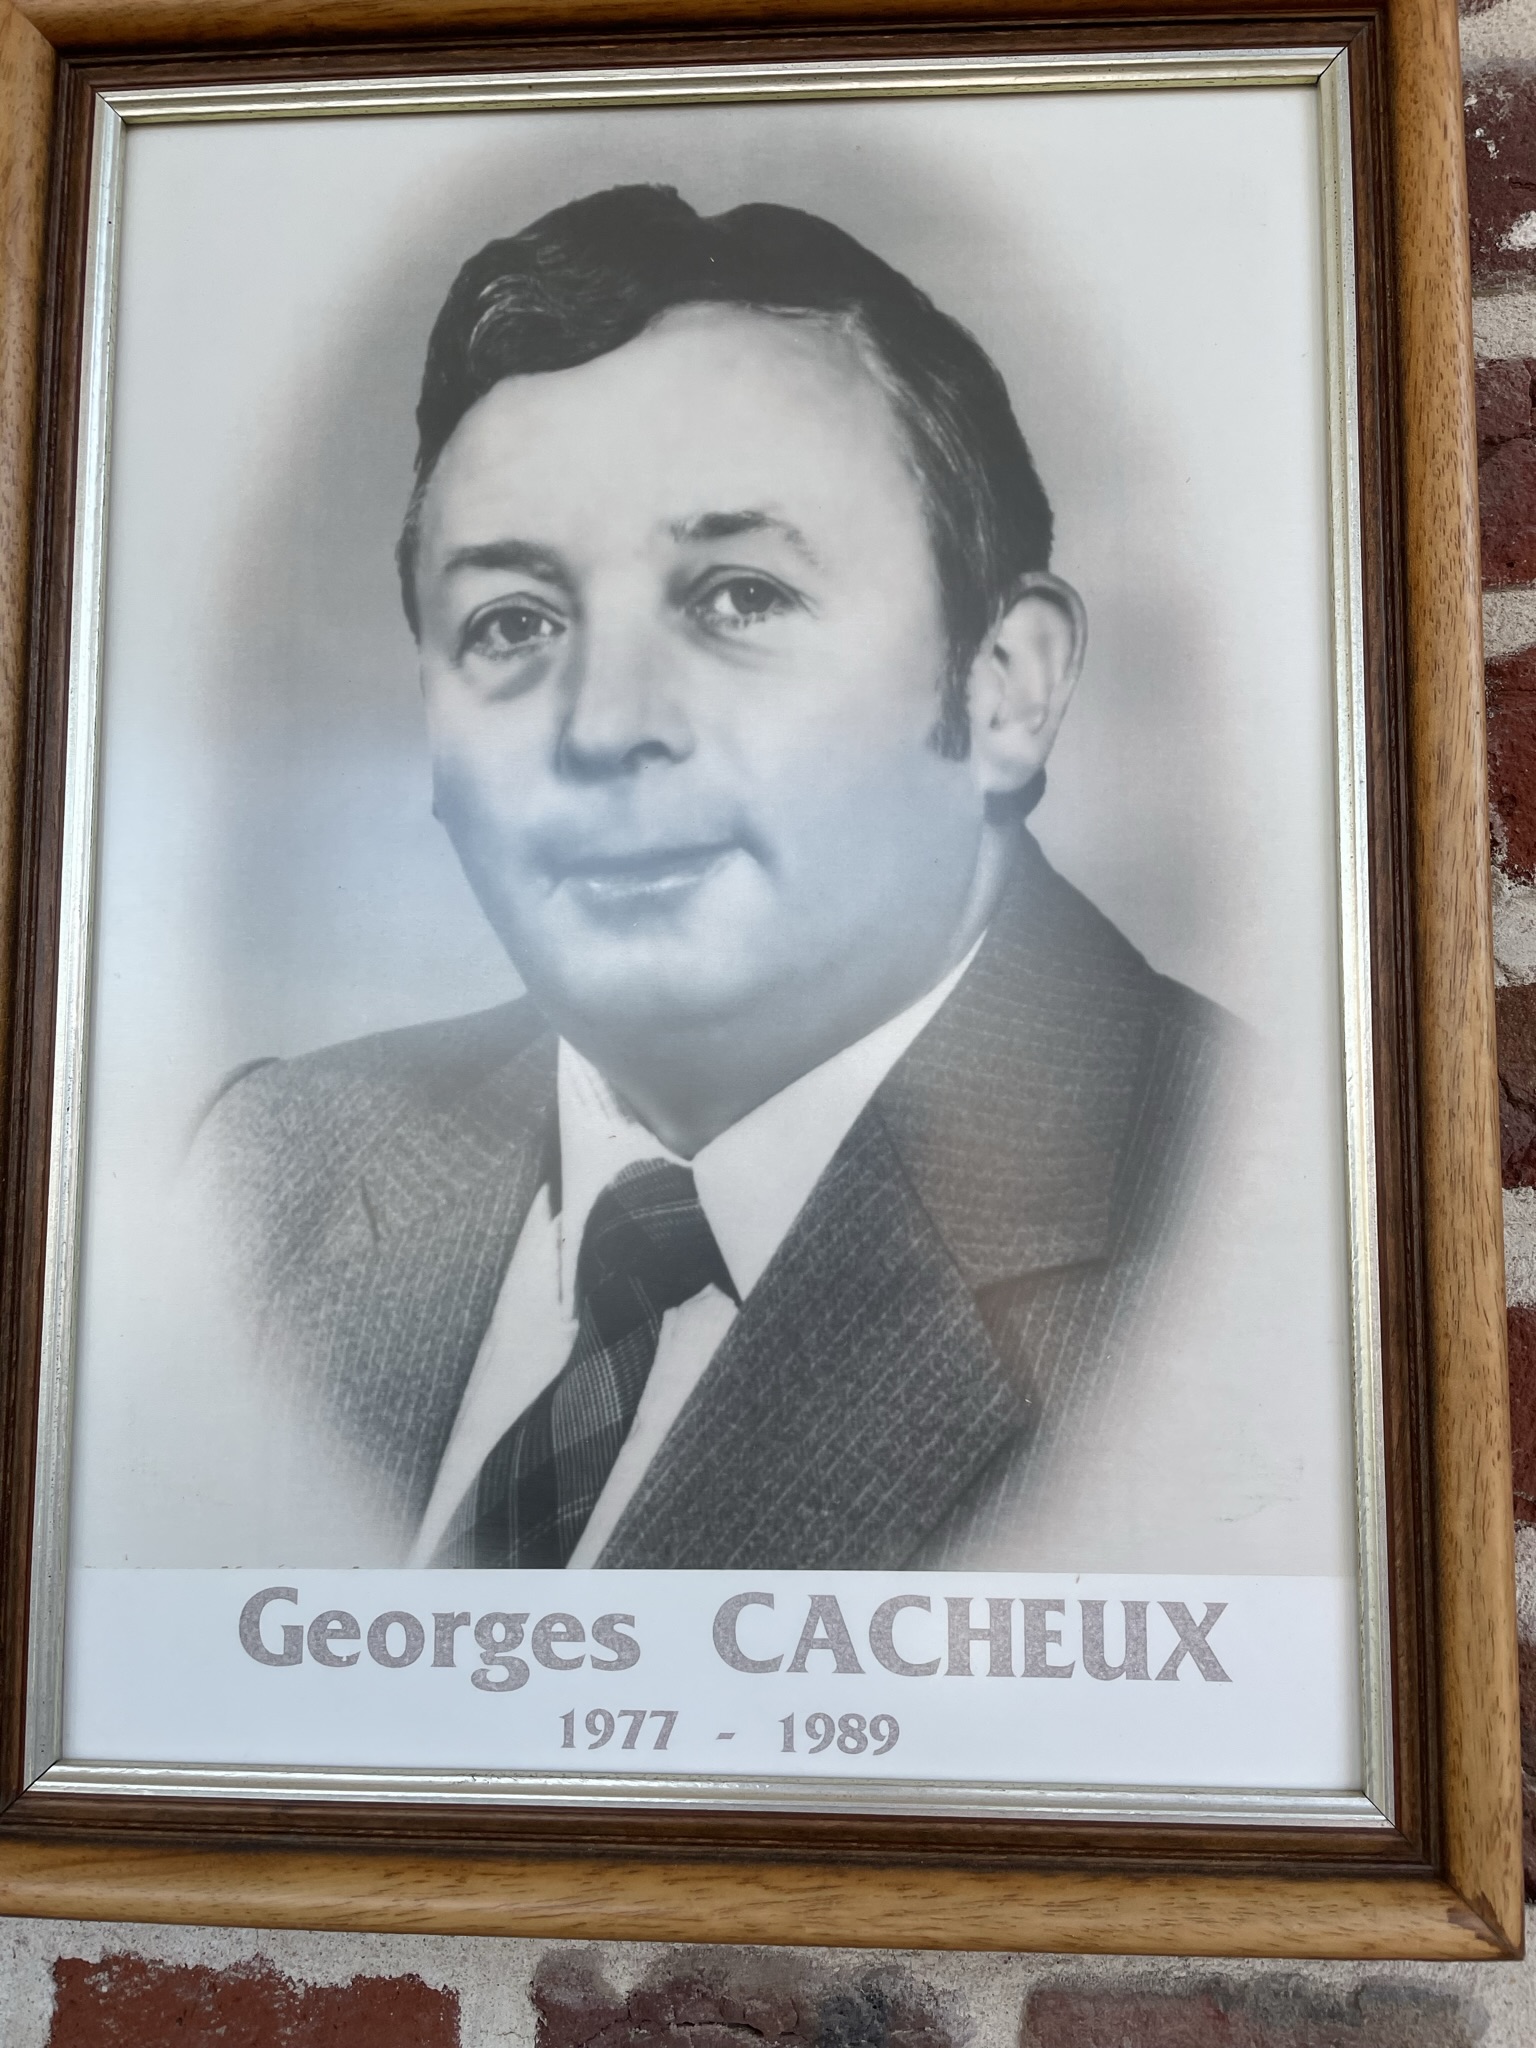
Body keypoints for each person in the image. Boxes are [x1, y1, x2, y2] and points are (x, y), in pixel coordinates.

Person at [197, 182, 1238, 1571]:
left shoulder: (1251, 1223)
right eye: (512, 622)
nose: (605, 725)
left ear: (1005, 685)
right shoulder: (262, 1175)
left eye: (741, 596)